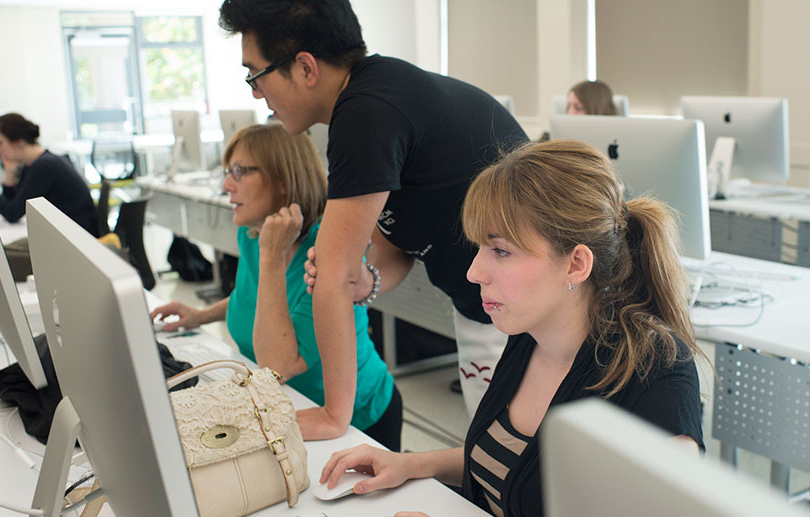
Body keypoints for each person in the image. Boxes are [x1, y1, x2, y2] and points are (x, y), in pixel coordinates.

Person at [319, 140, 705, 517]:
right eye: (480, 249)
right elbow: (514, 462)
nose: (473, 272)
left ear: (575, 265)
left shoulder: (658, 373)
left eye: (501, 251)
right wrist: (410, 464)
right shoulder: (530, 334)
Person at [218, 0, 528, 437]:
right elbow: (397, 243)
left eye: (256, 74)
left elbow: (331, 277)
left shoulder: (365, 113)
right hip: (490, 308)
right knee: (496, 458)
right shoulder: (377, 94)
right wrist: (367, 279)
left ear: (305, 68)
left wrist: (333, 415)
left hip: (533, 317)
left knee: (522, 471)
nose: (255, 92)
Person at [149, 123, 402, 451]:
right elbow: (251, 297)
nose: (227, 185)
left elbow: (278, 365)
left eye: (239, 172)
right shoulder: (254, 233)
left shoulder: (325, 251)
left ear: (283, 180)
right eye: (228, 171)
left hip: (358, 422)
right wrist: (200, 315)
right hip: (291, 407)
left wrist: (272, 254)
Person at [0, 113, 97, 236]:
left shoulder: (44, 167)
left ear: (18, 142)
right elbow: (11, 205)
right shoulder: (33, 164)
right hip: (65, 234)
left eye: (0, 143)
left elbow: (12, 214)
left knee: (0, 251)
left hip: (76, 238)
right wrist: (9, 173)